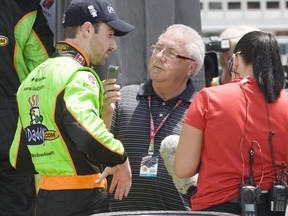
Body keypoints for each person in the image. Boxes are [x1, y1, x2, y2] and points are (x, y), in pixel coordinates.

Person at [9, 0, 135, 215]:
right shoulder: (78, 75)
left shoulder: (33, 77)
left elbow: (19, 157)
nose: (113, 45)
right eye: (110, 34)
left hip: (46, 198)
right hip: (83, 199)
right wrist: (119, 157)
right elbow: (86, 134)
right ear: (87, 29)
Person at [174, 31, 288, 215]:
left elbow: (183, 168)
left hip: (216, 208)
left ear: (235, 60)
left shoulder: (209, 98)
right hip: (274, 207)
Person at [109, 24, 205, 211]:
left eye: (170, 53)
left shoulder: (202, 108)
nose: (159, 56)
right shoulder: (124, 97)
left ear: (191, 67)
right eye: (158, 48)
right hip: (122, 212)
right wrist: (106, 110)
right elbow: (99, 149)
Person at [0, 1, 54, 215]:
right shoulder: (25, 10)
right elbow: (45, 70)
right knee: (18, 205)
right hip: (13, 125)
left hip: (12, 118)